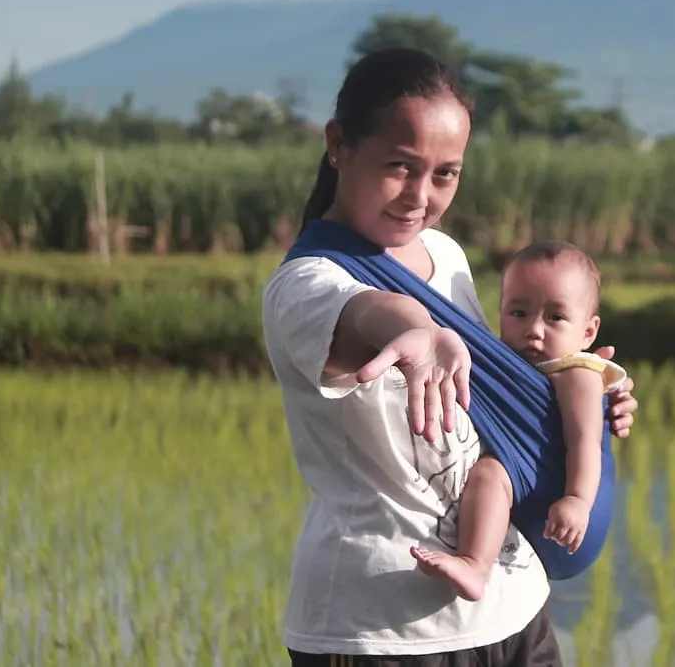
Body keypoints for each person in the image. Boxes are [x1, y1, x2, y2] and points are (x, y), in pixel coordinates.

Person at [259, 47, 640, 667]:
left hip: (512, 606)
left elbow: (496, 397)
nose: (419, 196)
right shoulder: (304, 285)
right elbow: (365, 311)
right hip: (383, 629)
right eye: (399, 167)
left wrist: (585, 392)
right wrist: (418, 327)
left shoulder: (446, 255)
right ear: (338, 145)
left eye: (445, 174)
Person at [410, 240, 625, 602]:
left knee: (492, 472)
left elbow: (586, 441)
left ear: (588, 332)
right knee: (490, 474)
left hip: (565, 511)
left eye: (555, 317)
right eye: (518, 313)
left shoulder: (578, 373)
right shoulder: (501, 363)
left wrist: (576, 499)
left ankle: (474, 563)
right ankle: (475, 567)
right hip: (526, 508)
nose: (534, 330)